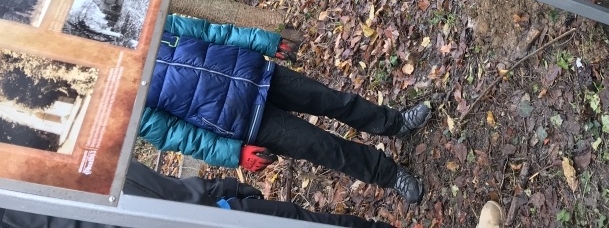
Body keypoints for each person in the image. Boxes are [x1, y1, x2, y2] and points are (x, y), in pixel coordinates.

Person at [138, 14, 430, 204]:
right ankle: (389, 175)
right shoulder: (123, 100)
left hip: (257, 74)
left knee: (334, 100)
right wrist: (234, 153)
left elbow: (213, 33)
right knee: (324, 148)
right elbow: (177, 136)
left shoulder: (148, 25)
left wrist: (264, 41)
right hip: (246, 121)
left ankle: (395, 124)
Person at [0, 159, 393, 227]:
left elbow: (146, 184)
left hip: (218, 211)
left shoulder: (32, 164)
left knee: (309, 221)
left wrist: (215, 189)